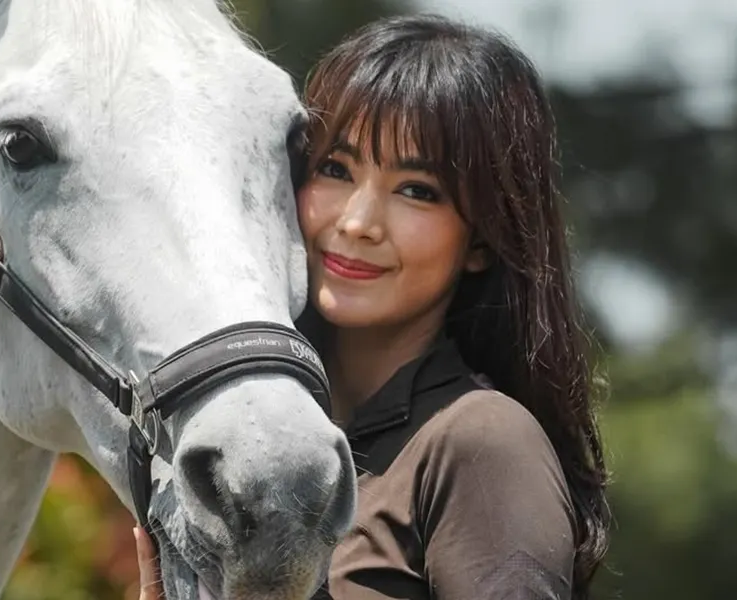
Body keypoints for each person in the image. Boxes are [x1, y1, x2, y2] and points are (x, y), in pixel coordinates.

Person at [136, 13, 611, 600]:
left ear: (482, 241)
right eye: (335, 169)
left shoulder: (481, 442)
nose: (358, 222)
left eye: (416, 191)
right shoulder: (249, 448)